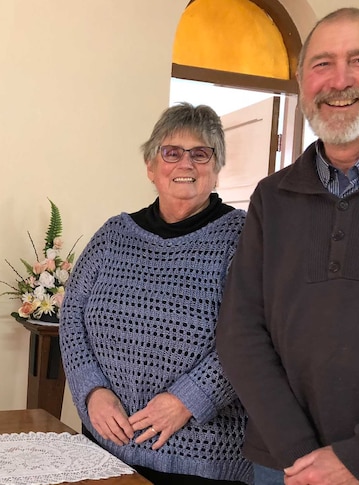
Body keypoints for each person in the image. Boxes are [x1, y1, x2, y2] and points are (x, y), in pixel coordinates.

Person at [216, 7, 359, 485]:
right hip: (283, 465)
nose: (339, 80)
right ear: (301, 79)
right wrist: (302, 456)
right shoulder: (271, 196)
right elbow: (240, 333)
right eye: (322, 64)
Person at [59, 102, 251, 484]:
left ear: (216, 168)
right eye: (171, 153)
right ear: (151, 166)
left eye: (200, 154)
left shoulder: (244, 238)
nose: (186, 164)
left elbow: (255, 336)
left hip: (202, 456)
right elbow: (71, 316)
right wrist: (91, 391)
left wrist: (188, 400)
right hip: (107, 445)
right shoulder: (113, 235)